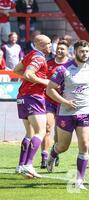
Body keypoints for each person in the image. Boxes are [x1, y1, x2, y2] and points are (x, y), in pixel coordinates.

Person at [45, 40, 89, 190]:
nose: (84, 54)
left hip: (85, 112)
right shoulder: (63, 70)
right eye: (81, 51)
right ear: (75, 52)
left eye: (86, 51)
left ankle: (79, 180)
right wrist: (64, 102)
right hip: (65, 113)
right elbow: (50, 89)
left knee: (84, 145)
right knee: (63, 146)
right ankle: (53, 154)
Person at [14, 34, 52, 178]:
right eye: (48, 43)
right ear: (41, 45)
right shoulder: (39, 57)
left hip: (23, 97)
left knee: (30, 133)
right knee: (41, 131)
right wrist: (45, 82)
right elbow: (29, 74)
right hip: (33, 96)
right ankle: (29, 165)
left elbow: (17, 70)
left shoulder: (30, 55)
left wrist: (32, 79)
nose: (50, 46)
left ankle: (21, 165)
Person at [40, 39, 70, 169]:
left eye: (62, 49)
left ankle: (54, 151)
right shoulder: (48, 64)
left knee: (59, 133)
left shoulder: (70, 66)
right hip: (49, 100)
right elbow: (42, 80)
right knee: (47, 127)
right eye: (58, 48)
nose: (59, 50)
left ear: (68, 51)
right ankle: (44, 156)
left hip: (64, 102)